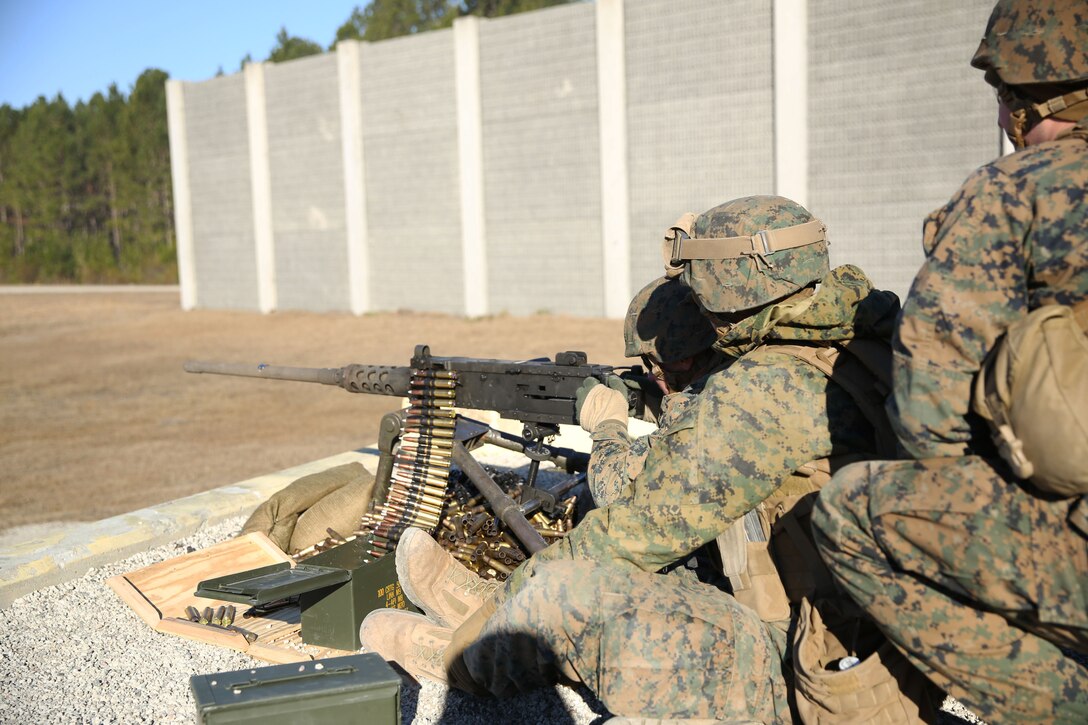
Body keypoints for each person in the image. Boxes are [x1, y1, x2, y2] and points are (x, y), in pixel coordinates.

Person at [362, 195, 906, 722]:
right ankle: (498, 608)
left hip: (812, 672)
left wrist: (487, 625)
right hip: (872, 641)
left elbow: (626, 534)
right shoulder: (865, 339)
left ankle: (465, 659)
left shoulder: (763, 390)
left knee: (566, 590)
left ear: (736, 280)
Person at [809, 1, 1088, 722]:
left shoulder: (1014, 192)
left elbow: (928, 428)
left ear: (1029, 103)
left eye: (1005, 98)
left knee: (851, 511)